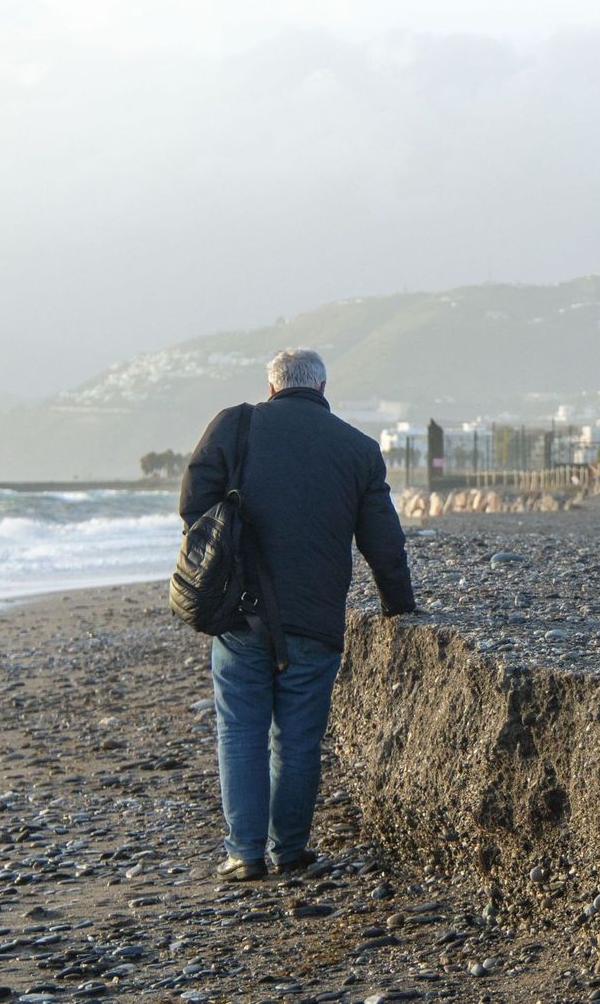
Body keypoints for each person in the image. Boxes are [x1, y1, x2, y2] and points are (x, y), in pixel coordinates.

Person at [179, 348, 415, 881]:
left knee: (240, 730)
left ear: (271, 386)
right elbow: (384, 544)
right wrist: (397, 605)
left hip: (240, 613)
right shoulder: (358, 448)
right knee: (298, 738)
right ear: (322, 388)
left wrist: (226, 553)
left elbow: (193, 504)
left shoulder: (234, 425)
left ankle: (244, 853)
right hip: (316, 618)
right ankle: (288, 850)